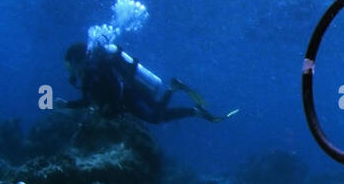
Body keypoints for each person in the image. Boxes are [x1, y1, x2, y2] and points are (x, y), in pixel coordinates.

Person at [61, 42, 237, 124]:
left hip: (131, 94)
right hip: (133, 91)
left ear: (79, 60)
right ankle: (189, 105)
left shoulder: (96, 70)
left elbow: (116, 87)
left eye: (71, 64)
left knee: (156, 116)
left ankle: (175, 92)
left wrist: (112, 108)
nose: (70, 70)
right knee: (158, 114)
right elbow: (87, 99)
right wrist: (67, 105)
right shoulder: (89, 74)